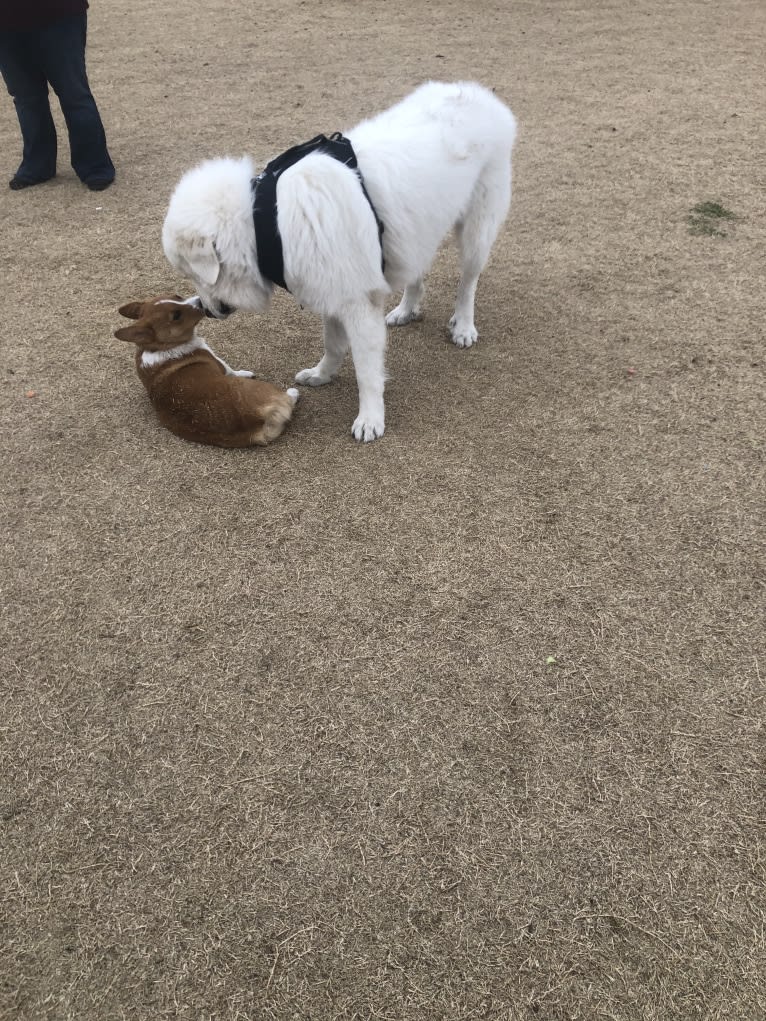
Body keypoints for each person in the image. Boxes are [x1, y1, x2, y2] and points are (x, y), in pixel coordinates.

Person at [0, 0, 115, 191]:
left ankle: (94, 165)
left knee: (74, 94)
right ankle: (37, 165)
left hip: (59, 14)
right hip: (5, 22)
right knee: (26, 97)